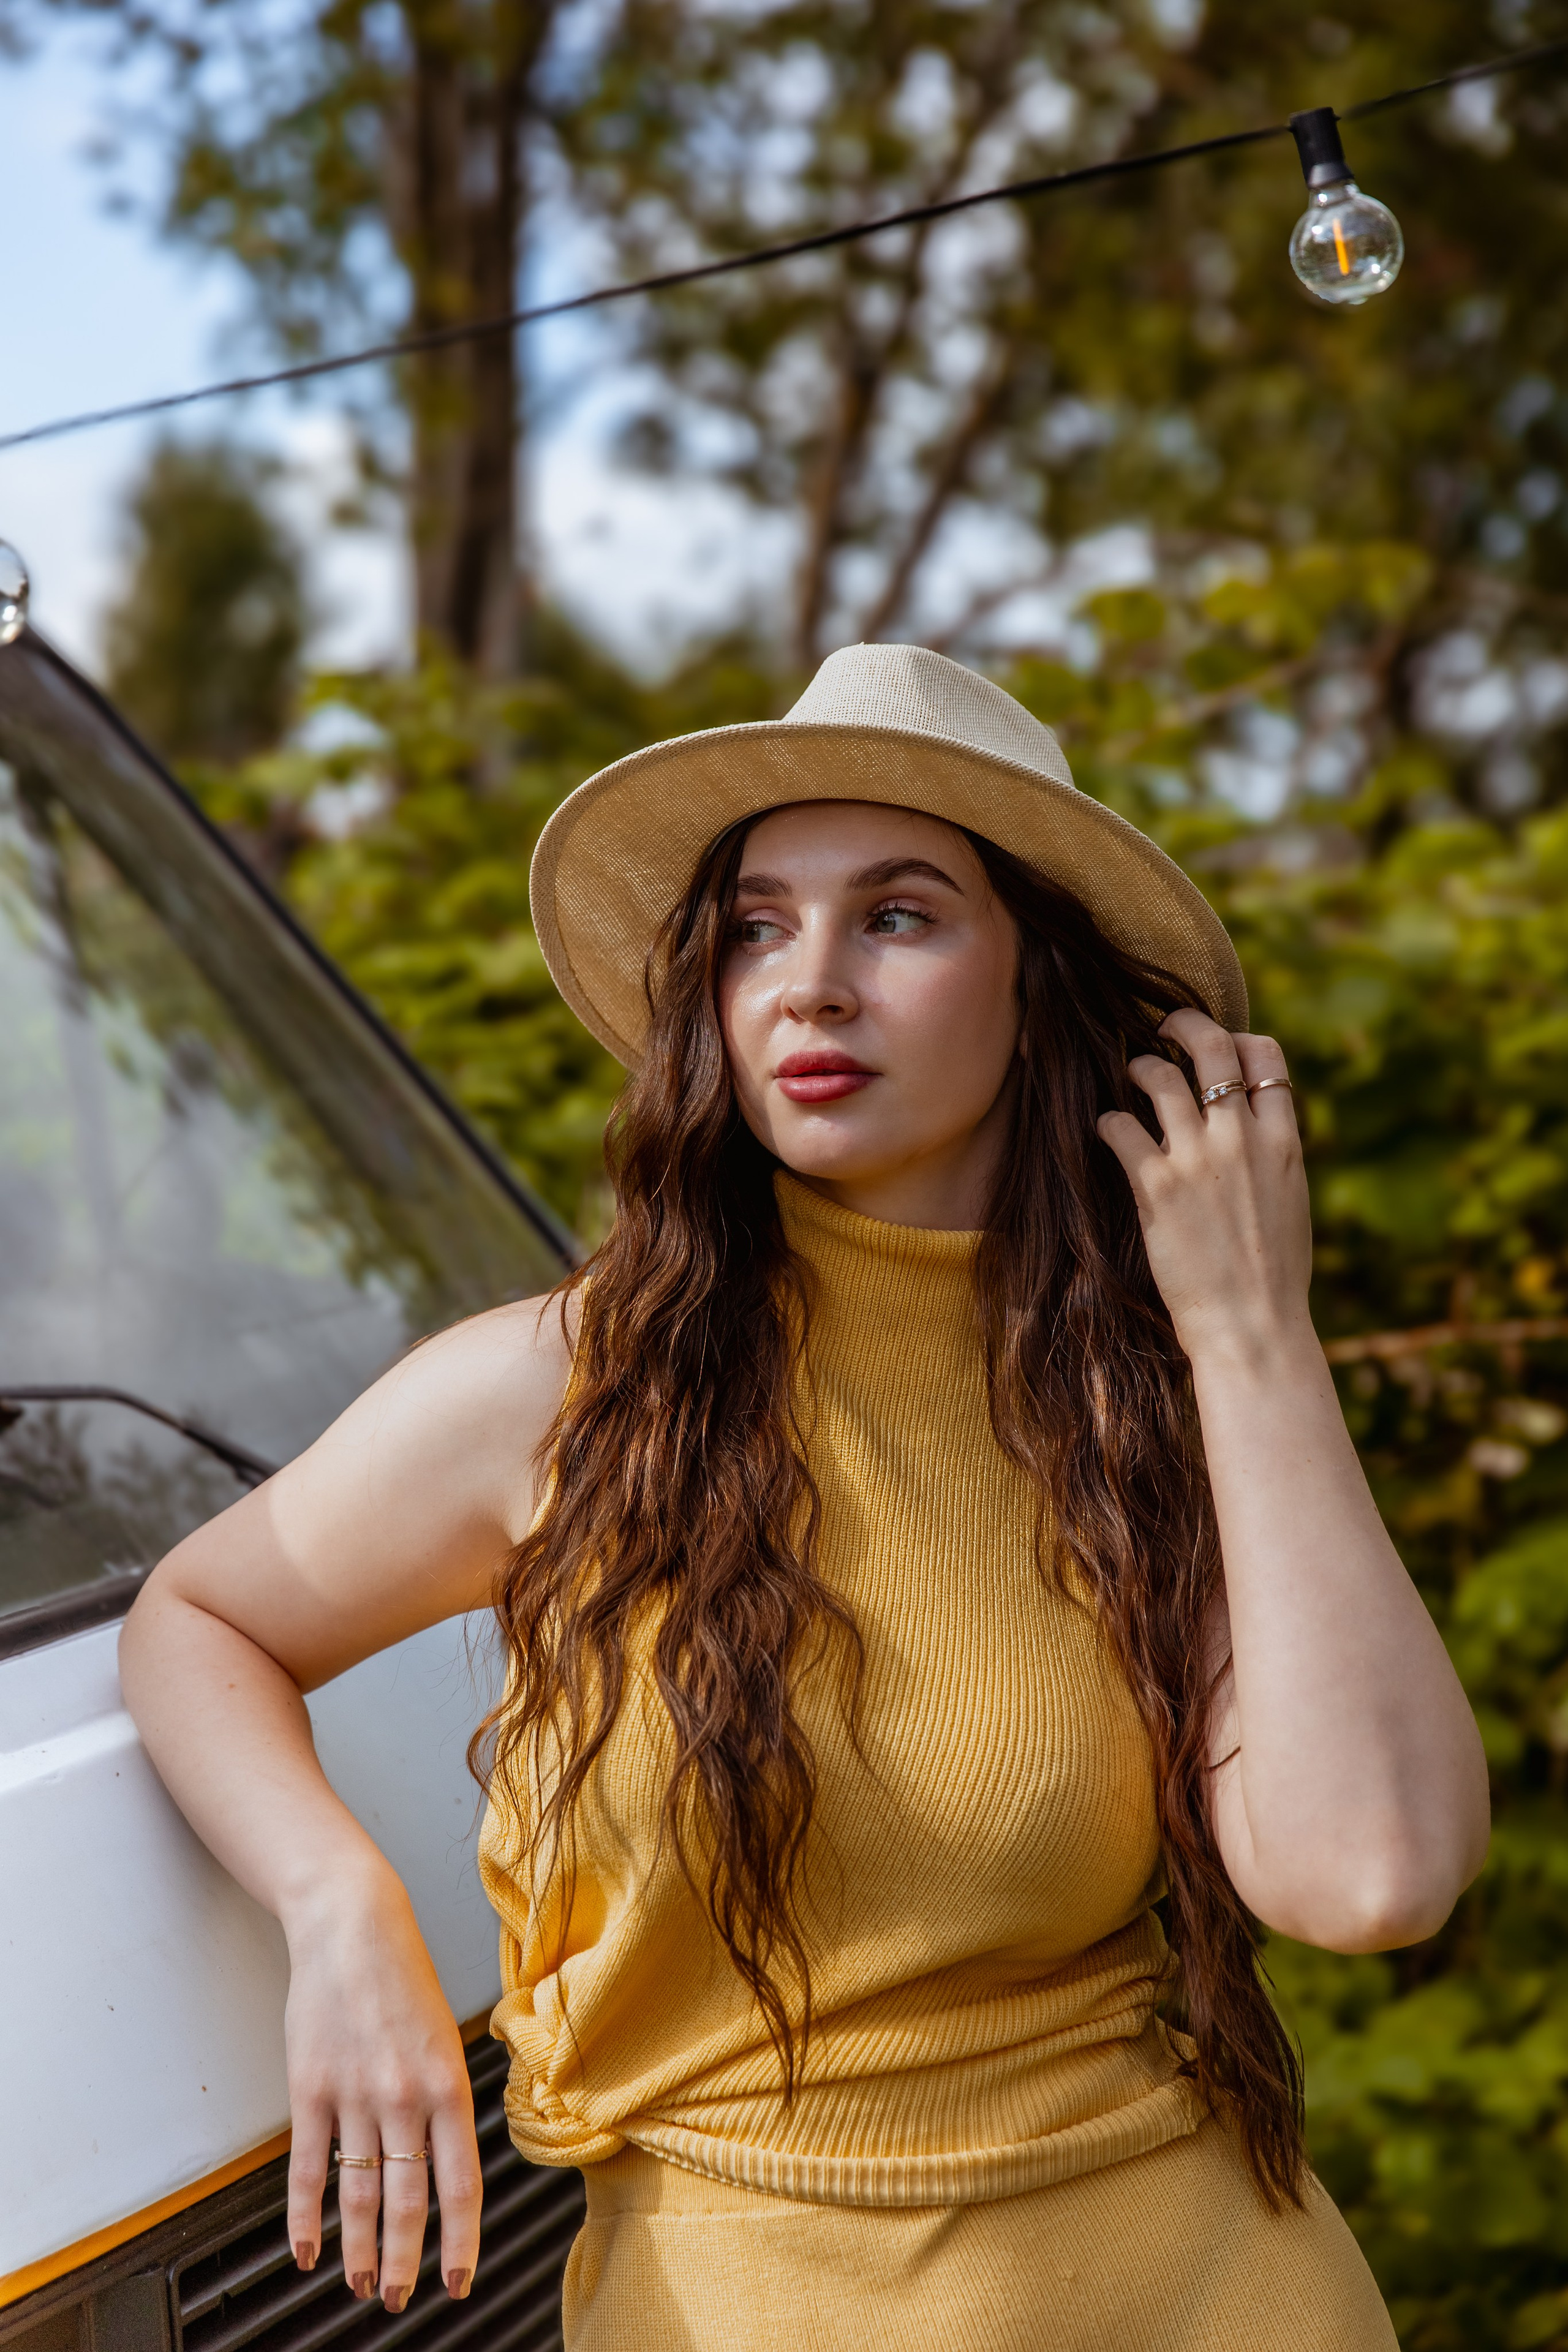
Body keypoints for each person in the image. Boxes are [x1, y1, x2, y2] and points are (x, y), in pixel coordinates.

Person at [122, 644, 1490, 2350]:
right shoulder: (570, 1388)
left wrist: (1253, 1332)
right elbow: (199, 1617)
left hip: (1210, 2291)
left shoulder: (1155, 1395)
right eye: (757, 927)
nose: (808, 985)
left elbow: (1373, 1875)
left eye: (898, 917)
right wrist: (338, 1907)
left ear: (1038, 985)